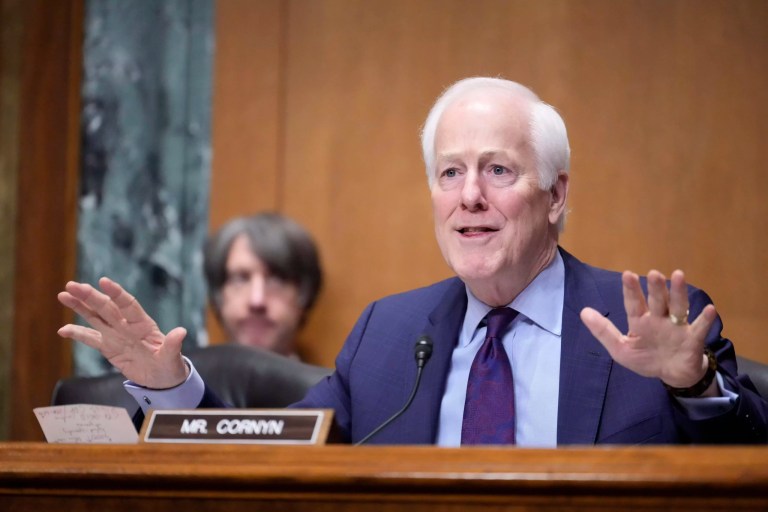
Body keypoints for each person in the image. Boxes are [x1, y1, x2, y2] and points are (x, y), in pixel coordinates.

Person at [57, 76, 768, 445]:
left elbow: (747, 459)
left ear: (555, 195)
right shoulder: (389, 336)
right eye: (449, 173)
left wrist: (693, 382)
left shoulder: (646, 323)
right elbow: (277, 451)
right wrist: (170, 385)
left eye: (497, 170)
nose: (469, 199)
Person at [203, 212, 323, 357]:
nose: (257, 300)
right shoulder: (188, 380)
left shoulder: (329, 380)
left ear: (305, 294)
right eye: (241, 278)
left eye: (276, 280)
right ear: (219, 295)